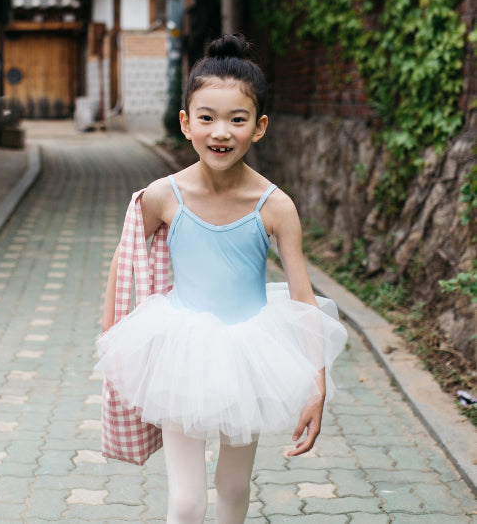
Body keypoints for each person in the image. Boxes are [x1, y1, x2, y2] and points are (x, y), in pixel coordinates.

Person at [96, 33, 347, 524]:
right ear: (186, 122)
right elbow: (123, 258)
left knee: (233, 488)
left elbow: (302, 297)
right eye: (207, 117)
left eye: (238, 119)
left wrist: (316, 386)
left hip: (249, 356)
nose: (221, 132)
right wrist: (111, 334)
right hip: (179, 349)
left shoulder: (275, 205)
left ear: (260, 127)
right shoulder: (163, 195)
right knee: (187, 502)